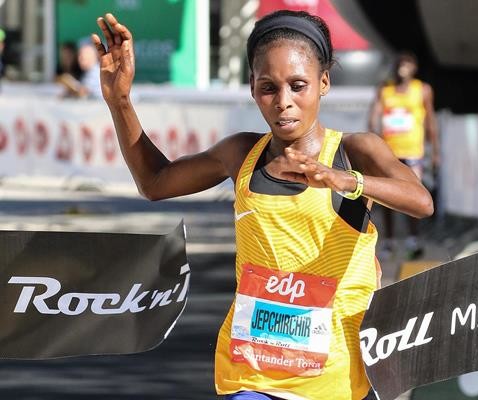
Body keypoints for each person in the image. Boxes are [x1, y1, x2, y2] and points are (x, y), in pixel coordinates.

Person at [92, 11, 433, 400]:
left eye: (298, 86)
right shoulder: (241, 153)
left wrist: (344, 180)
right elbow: (154, 183)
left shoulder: (353, 151)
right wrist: (120, 101)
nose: (283, 102)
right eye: (268, 88)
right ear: (252, 88)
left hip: (334, 378)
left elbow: (420, 201)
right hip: (252, 374)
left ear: (323, 82)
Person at [368, 51, 439, 261]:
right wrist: (372, 140)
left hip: (413, 151)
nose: (403, 69)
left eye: (407, 65)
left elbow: (430, 120)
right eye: (400, 65)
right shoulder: (385, 89)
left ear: (414, 68)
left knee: (413, 194)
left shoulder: (422, 90)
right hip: (389, 152)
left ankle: (413, 239)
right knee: (386, 196)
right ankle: (389, 241)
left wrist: (435, 150)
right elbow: (374, 116)